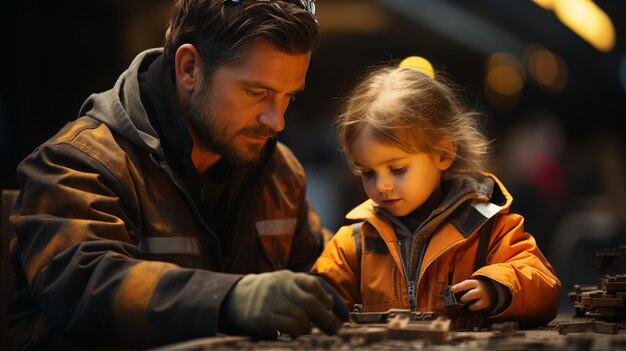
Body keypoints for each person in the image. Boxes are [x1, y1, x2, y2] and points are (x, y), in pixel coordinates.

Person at [7, 0, 347, 350]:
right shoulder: (77, 162)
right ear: (189, 69)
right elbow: (83, 285)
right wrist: (228, 298)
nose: (277, 122)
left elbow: (322, 274)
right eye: (256, 93)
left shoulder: (278, 172)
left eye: (287, 97)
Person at [311, 63, 561, 329]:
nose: (381, 185)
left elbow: (544, 285)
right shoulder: (354, 245)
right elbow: (316, 299)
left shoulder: (489, 230)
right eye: (368, 172)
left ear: (443, 154)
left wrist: (498, 287)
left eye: (398, 169)